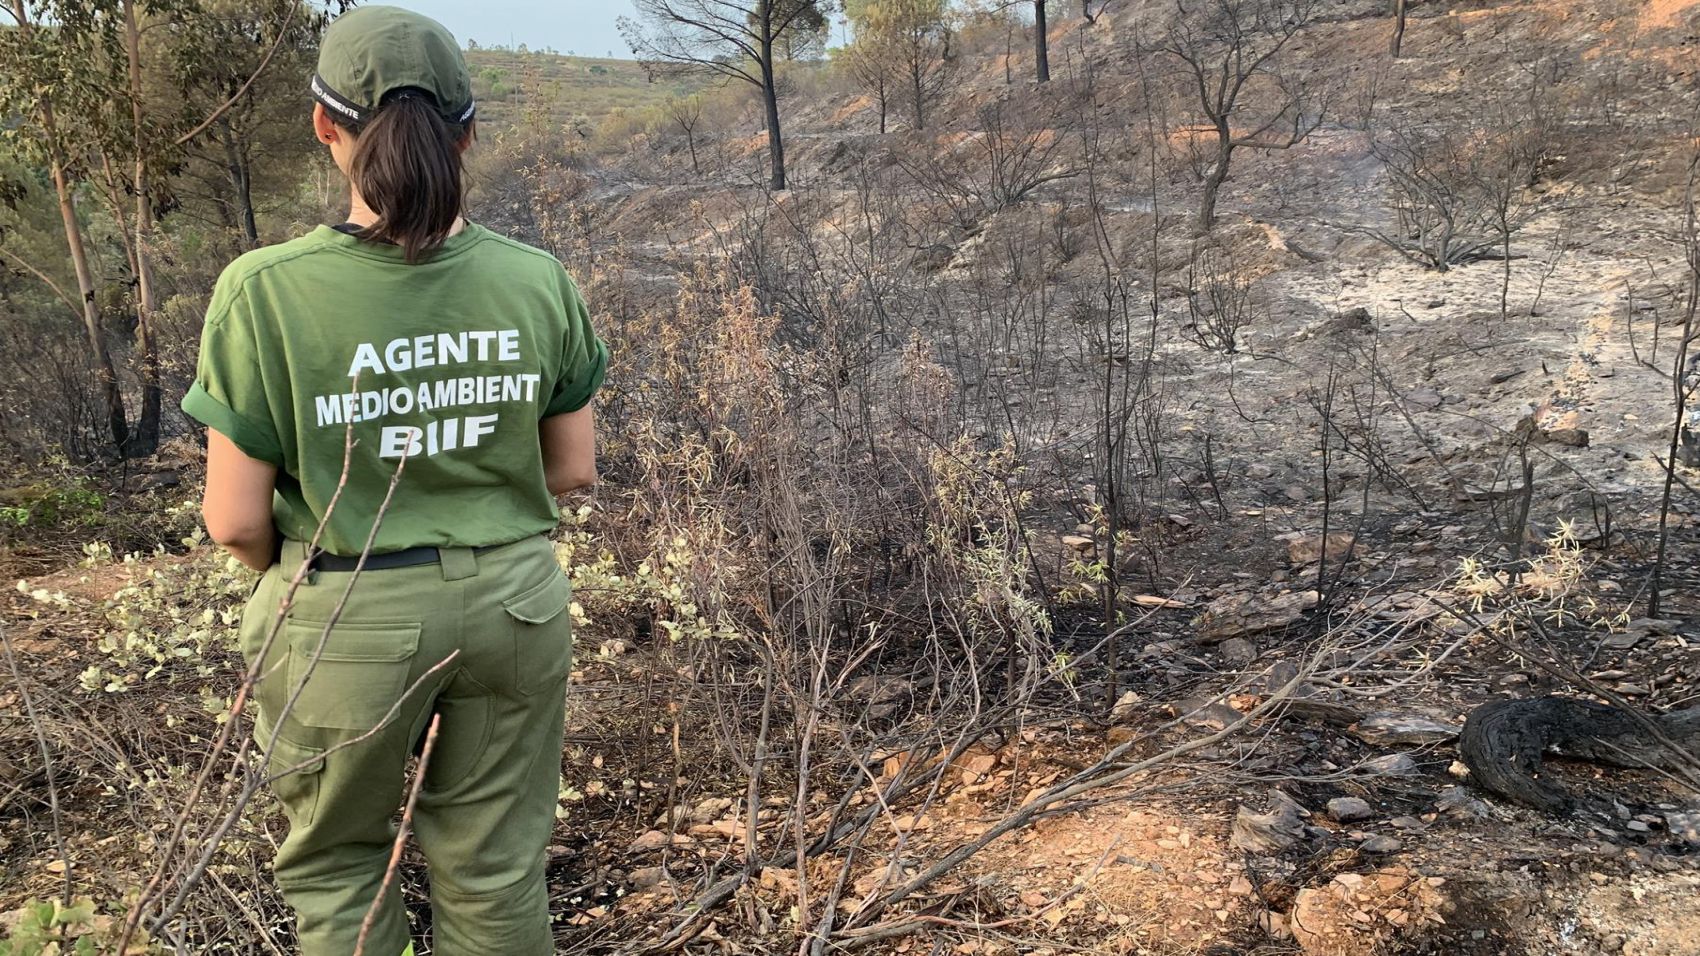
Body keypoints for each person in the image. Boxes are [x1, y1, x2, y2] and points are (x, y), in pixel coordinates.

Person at [180, 7, 608, 954]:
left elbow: (234, 521)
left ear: (324, 126)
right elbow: (572, 471)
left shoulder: (264, 289)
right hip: (515, 603)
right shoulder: (537, 280)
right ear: (466, 134)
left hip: (345, 611)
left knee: (341, 872)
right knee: (495, 868)